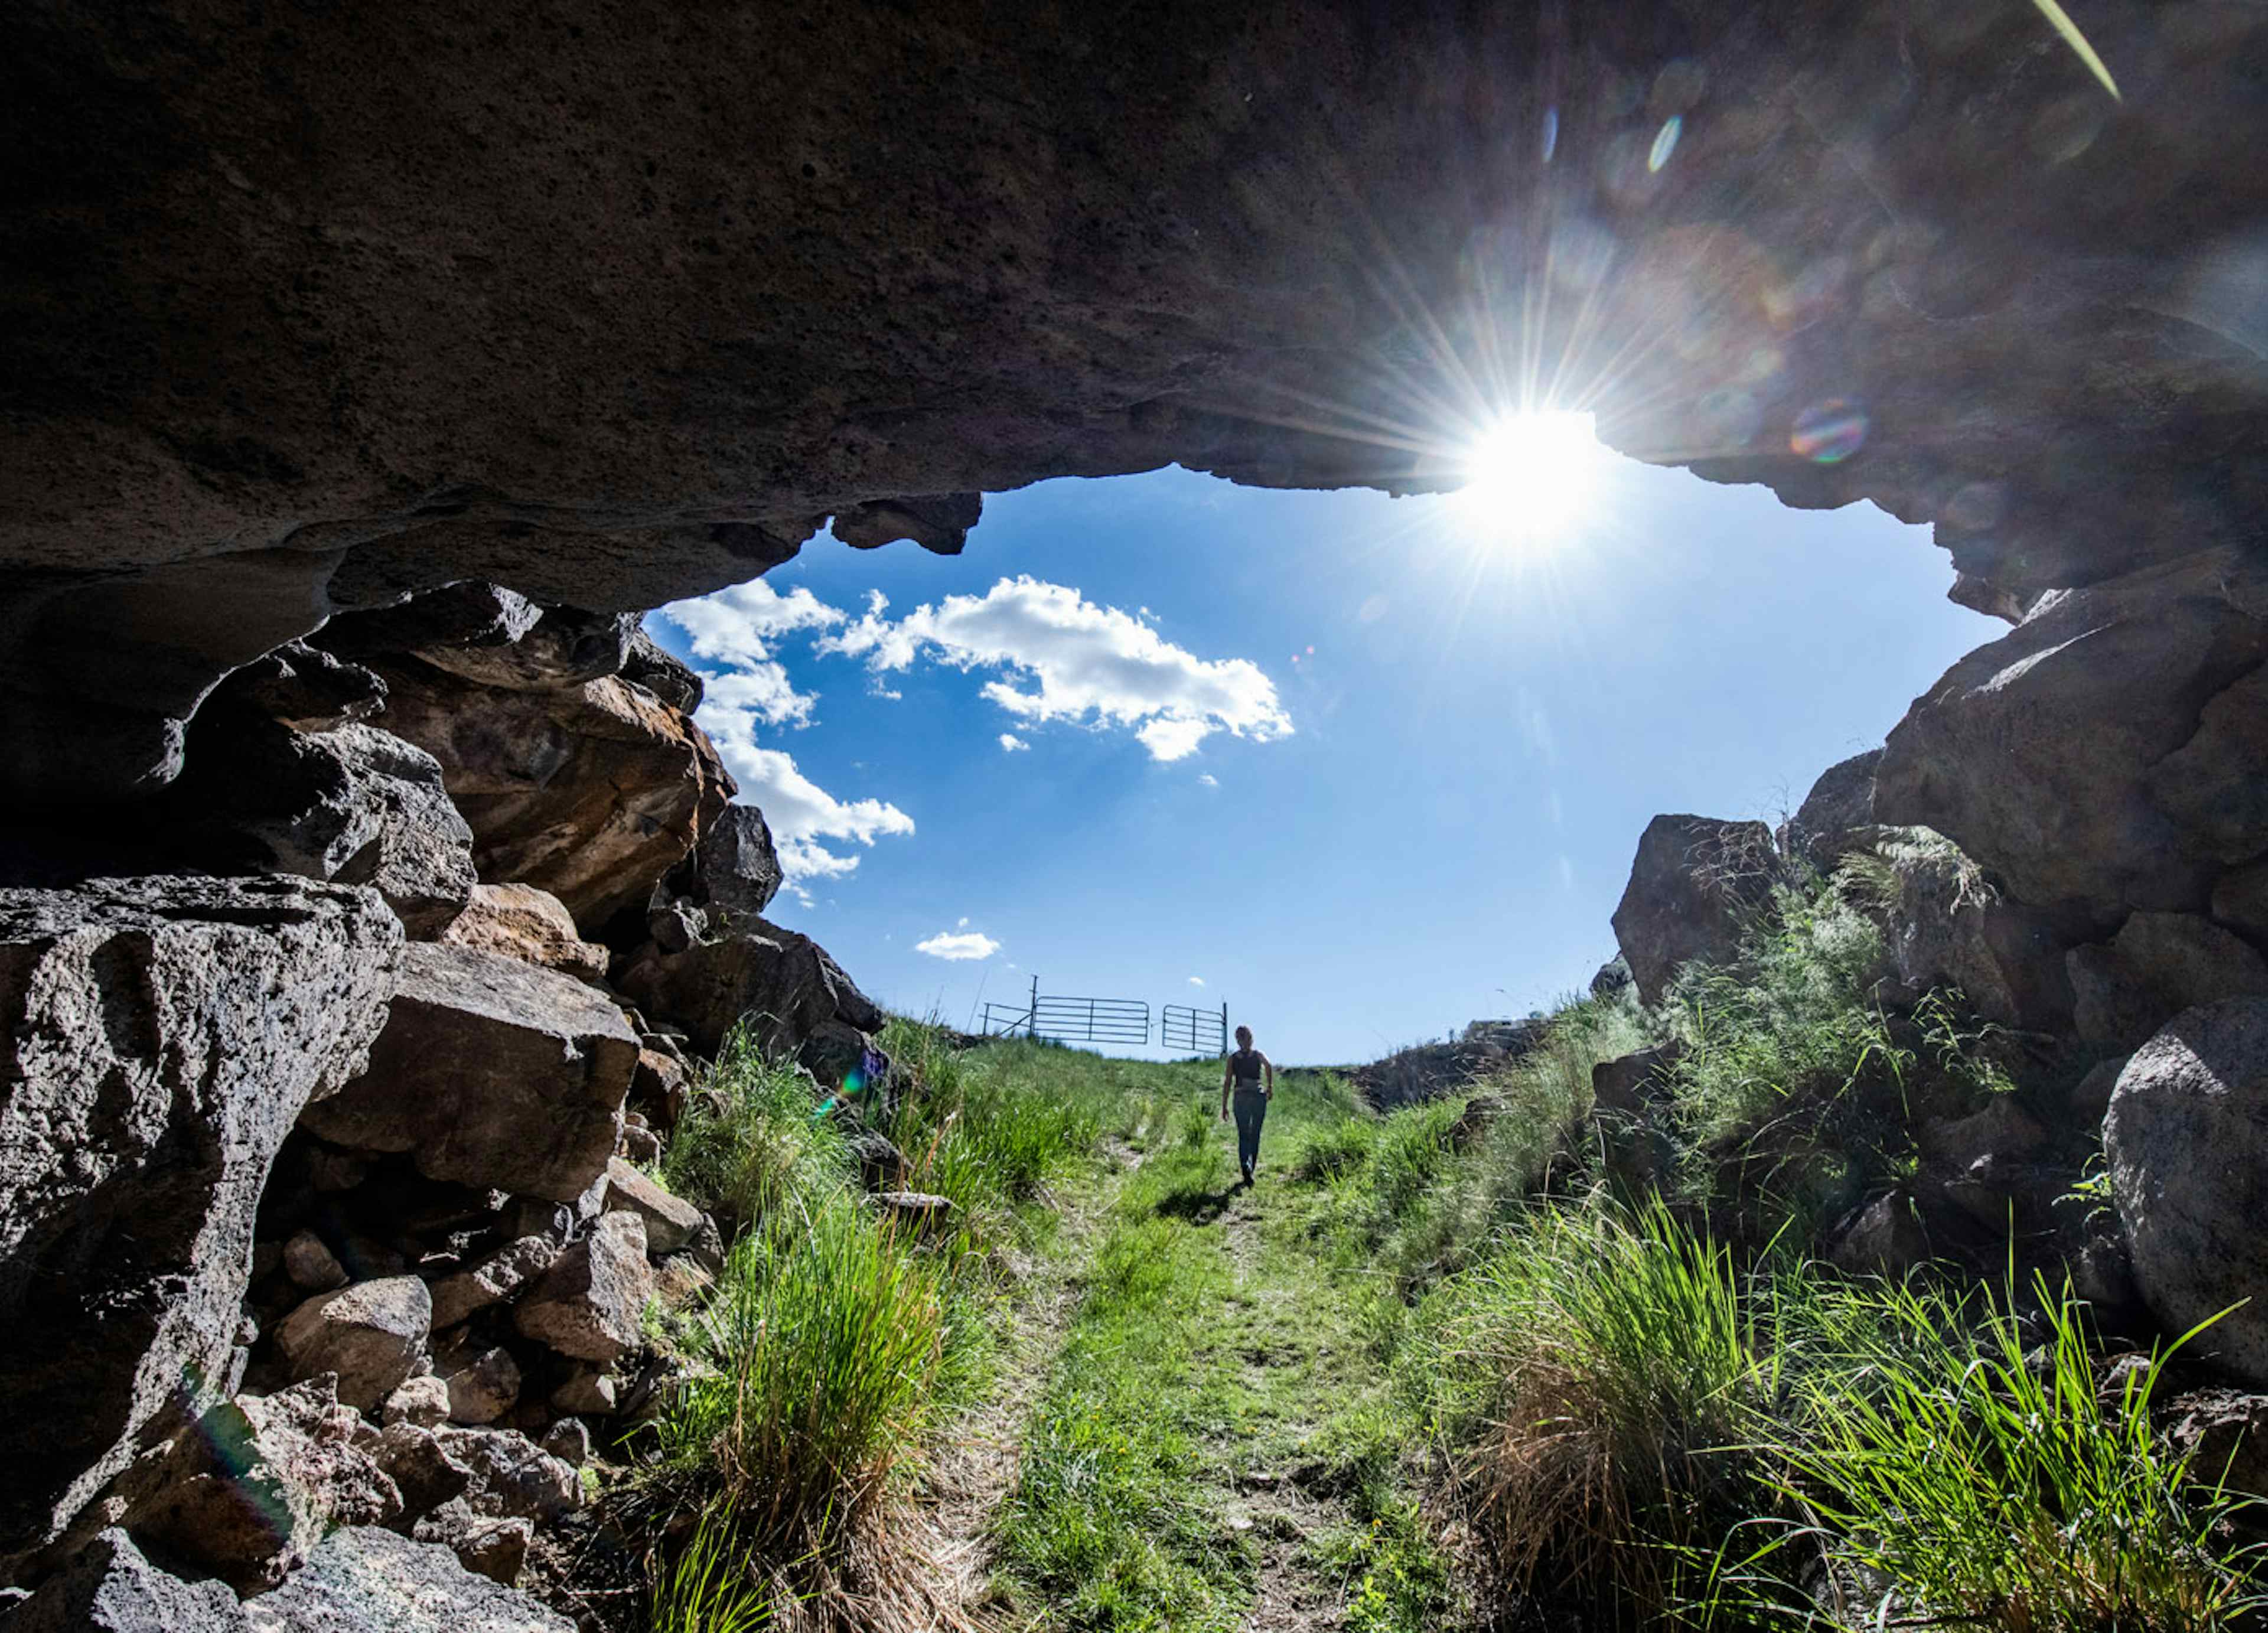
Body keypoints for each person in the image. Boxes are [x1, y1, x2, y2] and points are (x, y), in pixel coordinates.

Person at [1218, 1025, 1275, 1185]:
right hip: (1257, 1096)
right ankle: (1250, 1168)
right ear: (1251, 1039)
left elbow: (1228, 1082)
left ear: (1238, 1040)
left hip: (1241, 1096)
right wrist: (1269, 1087)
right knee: (1255, 1133)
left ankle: (1246, 1166)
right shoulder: (1258, 1055)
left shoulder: (1233, 1058)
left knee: (1244, 1134)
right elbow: (1269, 1066)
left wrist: (1224, 1106)